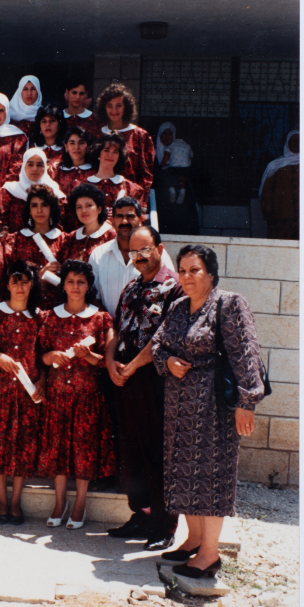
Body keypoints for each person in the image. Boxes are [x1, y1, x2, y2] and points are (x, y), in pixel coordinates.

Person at [150, 245, 265, 577]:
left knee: (211, 478)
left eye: (194, 270)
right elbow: (158, 344)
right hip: (180, 409)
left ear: (211, 274)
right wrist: (168, 361)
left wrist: (247, 402)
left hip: (215, 409)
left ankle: (210, 554)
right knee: (184, 474)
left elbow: (246, 353)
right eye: (182, 270)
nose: (186, 277)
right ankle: (193, 540)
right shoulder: (178, 308)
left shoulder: (228, 304)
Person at [104, 225, 183, 549]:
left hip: (154, 382)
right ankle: (141, 515)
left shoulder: (174, 289)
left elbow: (165, 338)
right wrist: (111, 363)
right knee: (131, 451)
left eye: (144, 250)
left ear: (159, 249)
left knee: (156, 453)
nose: (139, 257)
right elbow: (116, 329)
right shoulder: (132, 287)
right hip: (124, 380)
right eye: (133, 252)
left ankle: (163, 526)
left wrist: (134, 365)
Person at [38, 260, 115, 529]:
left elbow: (108, 361)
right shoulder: (49, 317)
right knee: (58, 450)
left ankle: (80, 502)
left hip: (86, 397)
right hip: (57, 396)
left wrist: (90, 356)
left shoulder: (100, 318)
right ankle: (60, 502)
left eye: (81, 282)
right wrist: (51, 356)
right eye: (70, 281)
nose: (75, 287)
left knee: (83, 450)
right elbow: (40, 357)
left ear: (89, 285)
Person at [0, 260, 45, 526]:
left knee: (22, 446)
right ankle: (1, 500)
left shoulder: (38, 317)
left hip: (27, 394)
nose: (19, 287)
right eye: (15, 281)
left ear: (32, 284)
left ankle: (16, 501)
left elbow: (42, 356)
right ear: (7, 284)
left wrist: (43, 382)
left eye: (25, 281)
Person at [88, 197, 174, 317]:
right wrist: (112, 328)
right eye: (119, 216)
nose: (124, 221)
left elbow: (170, 290)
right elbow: (93, 298)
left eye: (130, 216)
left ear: (141, 219)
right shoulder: (98, 255)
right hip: (110, 332)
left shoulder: (157, 254)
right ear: (113, 221)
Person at [4, 183, 65, 309]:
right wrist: (39, 276)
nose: (39, 210)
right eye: (34, 205)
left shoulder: (64, 240)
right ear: (29, 210)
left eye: (44, 205)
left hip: (56, 307)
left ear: (51, 208)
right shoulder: (16, 239)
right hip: (25, 307)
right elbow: (9, 276)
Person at [95, 83, 154, 197]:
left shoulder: (140, 135)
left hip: (130, 198)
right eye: (109, 105)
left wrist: (141, 204)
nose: (114, 110)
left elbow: (146, 175)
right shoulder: (97, 134)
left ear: (126, 107)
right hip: (100, 197)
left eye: (118, 105)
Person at [0, 148, 65, 234]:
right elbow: (2, 224)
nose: (35, 169)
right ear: (23, 166)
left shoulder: (54, 192)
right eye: (30, 164)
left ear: (45, 167)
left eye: (40, 165)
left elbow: (59, 225)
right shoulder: (10, 191)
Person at [84, 133, 146, 218]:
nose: (110, 155)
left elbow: (139, 219)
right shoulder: (85, 186)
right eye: (106, 150)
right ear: (98, 153)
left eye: (115, 152)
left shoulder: (131, 188)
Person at [153, 123, 199, 236]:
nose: (167, 137)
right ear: (160, 135)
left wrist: (184, 177)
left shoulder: (180, 151)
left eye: (170, 134)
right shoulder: (153, 154)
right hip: (163, 197)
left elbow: (192, 170)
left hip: (182, 199)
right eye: (164, 134)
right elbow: (155, 175)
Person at [56, 183, 116, 263]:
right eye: (79, 207)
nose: (83, 210)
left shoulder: (111, 236)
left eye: (89, 205)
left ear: (99, 209)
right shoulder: (71, 238)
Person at [259, 129, 299, 240]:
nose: (296, 143)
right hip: (280, 218)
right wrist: (269, 212)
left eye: (299, 140)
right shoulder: (276, 165)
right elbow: (266, 192)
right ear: (287, 142)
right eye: (293, 140)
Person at [50, 124, 92, 219]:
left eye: (81, 143)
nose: (76, 147)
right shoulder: (57, 171)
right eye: (72, 143)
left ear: (87, 145)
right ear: (66, 146)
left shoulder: (95, 171)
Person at [27, 103, 65, 171]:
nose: (47, 124)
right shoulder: (31, 147)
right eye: (44, 121)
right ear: (39, 125)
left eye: (52, 120)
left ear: (59, 124)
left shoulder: (67, 149)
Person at [63, 75, 101, 141]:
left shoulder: (95, 119)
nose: (77, 97)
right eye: (74, 93)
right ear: (67, 92)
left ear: (86, 94)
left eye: (81, 93)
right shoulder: (58, 117)